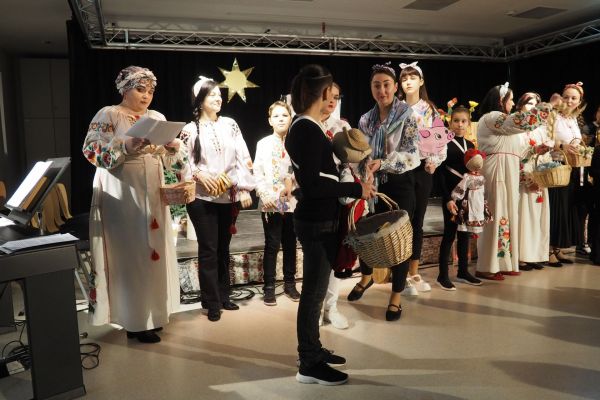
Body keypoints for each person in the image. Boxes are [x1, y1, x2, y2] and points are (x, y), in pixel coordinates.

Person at [285, 64, 375, 385]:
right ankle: (308, 362)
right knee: (313, 294)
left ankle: (313, 350)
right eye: (330, 94)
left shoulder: (310, 127)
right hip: (316, 220)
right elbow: (313, 185)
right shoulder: (306, 129)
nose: (332, 100)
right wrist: (355, 189)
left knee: (317, 291)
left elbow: (318, 178)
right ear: (321, 94)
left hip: (321, 218)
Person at [83, 66, 185, 343]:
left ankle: (153, 315)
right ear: (124, 89)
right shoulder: (109, 114)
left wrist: (172, 149)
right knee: (131, 252)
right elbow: (91, 150)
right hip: (122, 190)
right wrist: (125, 146)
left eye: (150, 91)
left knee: (154, 249)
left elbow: (172, 162)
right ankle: (134, 319)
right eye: (140, 89)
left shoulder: (156, 117)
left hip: (153, 190)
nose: (146, 96)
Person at [347, 63, 420, 320]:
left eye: (386, 85)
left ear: (395, 87)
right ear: (371, 88)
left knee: (398, 239)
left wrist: (384, 162)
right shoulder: (365, 119)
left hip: (400, 183)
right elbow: (359, 153)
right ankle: (366, 277)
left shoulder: (406, 114)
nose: (382, 90)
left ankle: (396, 296)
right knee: (367, 232)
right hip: (372, 184)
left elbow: (413, 153)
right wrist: (361, 171)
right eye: (376, 85)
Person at [181, 76, 255, 322]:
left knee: (224, 247)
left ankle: (224, 295)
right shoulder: (190, 129)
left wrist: (244, 188)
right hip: (202, 197)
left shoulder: (230, 124)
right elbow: (182, 162)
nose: (218, 98)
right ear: (200, 99)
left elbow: (242, 155)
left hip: (227, 196)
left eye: (219, 95)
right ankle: (211, 301)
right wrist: (198, 175)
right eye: (212, 94)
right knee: (209, 249)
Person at [475, 82, 549, 280]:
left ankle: (504, 262)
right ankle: (486, 266)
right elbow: (521, 122)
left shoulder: (503, 122)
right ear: (501, 101)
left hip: (509, 170)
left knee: (507, 215)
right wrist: (545, 108)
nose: (513, 103)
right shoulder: (492, 117)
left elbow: (518, 151)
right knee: (496, 214)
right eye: (511, 99)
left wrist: (534, 150)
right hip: (497, 170)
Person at [398, 61, 442, 295]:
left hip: (422, 170)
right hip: (401, 169)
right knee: (402, 220)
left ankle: (414, 271)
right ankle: (400, 273)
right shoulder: (396, 108)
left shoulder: (429, 109)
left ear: (421, 81)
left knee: (418, 221)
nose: (408, 82)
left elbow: (439, 139)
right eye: (404, 78)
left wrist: (435, 160)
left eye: (412, 77)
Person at [253, 101, 300, 306]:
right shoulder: (263, 143)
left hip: (291, 199)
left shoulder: (297, 143)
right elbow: (258, 172)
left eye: (285, 115)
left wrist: (292, 187)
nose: (281, 119)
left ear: (291, 118)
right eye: (276, 116)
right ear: (270, 120)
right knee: (272, 243)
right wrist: (266, 195)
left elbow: (299, 170)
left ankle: (290, 283)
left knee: (290, 242)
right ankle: (269, 286)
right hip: (272, 201)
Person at [437, 105, 482, 290]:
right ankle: (442, 275)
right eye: (456, 121)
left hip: (467, 195)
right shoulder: (444, 144)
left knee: (465, 233)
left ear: (469, 123)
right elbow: (440, 173)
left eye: (464, 121)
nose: (460, 124)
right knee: (449, 234)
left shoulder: (470, 145)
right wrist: (447, 198)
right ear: (450, 122)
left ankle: (463, 271)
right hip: (451, 196)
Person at [318, 82, 351, 330]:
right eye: (328, 96)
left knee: (335, 255)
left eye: (336, 97)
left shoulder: (342, 127)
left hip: (337, 197)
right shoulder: (306, 124)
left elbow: (353, 161)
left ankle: (331, 307)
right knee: (316, 257)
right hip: (313, 197)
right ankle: (315, 309)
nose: (332, 101)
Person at [547, 82, 586, 265]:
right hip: (556, 167)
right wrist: (562, 146)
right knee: (556, 209)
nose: (569, 101)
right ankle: (548, 249)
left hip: (571, 168)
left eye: (573, 98)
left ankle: (558, 247)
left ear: (579, 102)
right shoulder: (553, 115)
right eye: (566, 97)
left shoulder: (573, 119)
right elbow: (545, 139)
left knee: (565, 209)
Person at [516, 92, 551, 271]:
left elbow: (545, 154)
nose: (533, 107)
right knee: (525, 217)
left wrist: (544, 172)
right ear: (520, 105)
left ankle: (536, 254)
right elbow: (516, 154)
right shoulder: (516, 128)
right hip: (523, 177)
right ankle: (522, 256)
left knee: (538, 217)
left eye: (536, 104)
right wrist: (526, 175)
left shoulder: (540, 129)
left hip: (539, 176)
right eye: (529, 103)